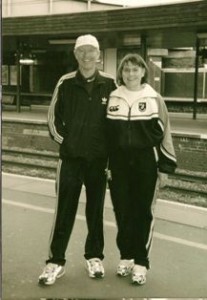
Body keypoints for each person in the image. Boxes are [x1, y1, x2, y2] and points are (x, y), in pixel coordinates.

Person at [38, 34, 116, 285]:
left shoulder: (111, 84)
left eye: (91, 51)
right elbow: (52, 121)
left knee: (95, 211)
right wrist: (69, 143)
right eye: (81, 51)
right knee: (64, 211)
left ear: (98, 55)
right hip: (70, 160)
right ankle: (55, 261)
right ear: (75, 55)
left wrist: (109, 153)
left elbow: (116, 124)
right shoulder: (65, 82)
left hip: (98, 161)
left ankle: (94, 257)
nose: (86, 56)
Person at [106, 53, 177, 285]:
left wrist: (164, 167)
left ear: (143, 72)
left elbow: (165, 133)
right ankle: (126, 256)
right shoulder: (113, 97)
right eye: (126, 70)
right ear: (121, 73)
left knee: (142, 212)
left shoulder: (154, 98)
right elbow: (107, 137)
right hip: (118, 165)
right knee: (122, 211)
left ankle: (141, 262)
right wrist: (106, 165)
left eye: (135, 69)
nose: (130, 74)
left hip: (146, 162)